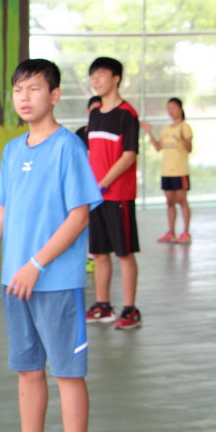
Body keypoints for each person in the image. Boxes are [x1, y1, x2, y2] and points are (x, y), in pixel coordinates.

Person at [0, 58, 102, 432]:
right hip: (16, 281)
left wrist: (36, 264)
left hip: (54, 280)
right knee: (27, 369)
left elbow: (78, 216)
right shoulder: (12, 150)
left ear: (55, 95)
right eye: (18, 90)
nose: (24, 98)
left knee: (67, 372)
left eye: (35, 89)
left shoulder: (68, 147)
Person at [84, 57, 142, 329]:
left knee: (123, 252)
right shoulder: (95, 114)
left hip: (118, 195)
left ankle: (130, 308)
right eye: (92, 76)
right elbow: (91, 154)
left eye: (101, 75)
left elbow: (129, 156)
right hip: (95, 196)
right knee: (99, 252)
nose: (95, 80)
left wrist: (104, 183)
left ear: (116, 78)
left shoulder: (127, 114)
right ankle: (103, 305)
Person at [143, 97, 193, 244]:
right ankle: (171, 231)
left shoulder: (185, 127)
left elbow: (189, 148)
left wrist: (182, 139)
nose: (171, 111)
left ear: (180, 109)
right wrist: (150, 133)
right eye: (169, 108)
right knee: (170, 202)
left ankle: (186, 232)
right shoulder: (166, 129)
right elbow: (158, 147)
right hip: (166, 171)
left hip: (180, 170)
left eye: (174, 108)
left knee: (182, 201)